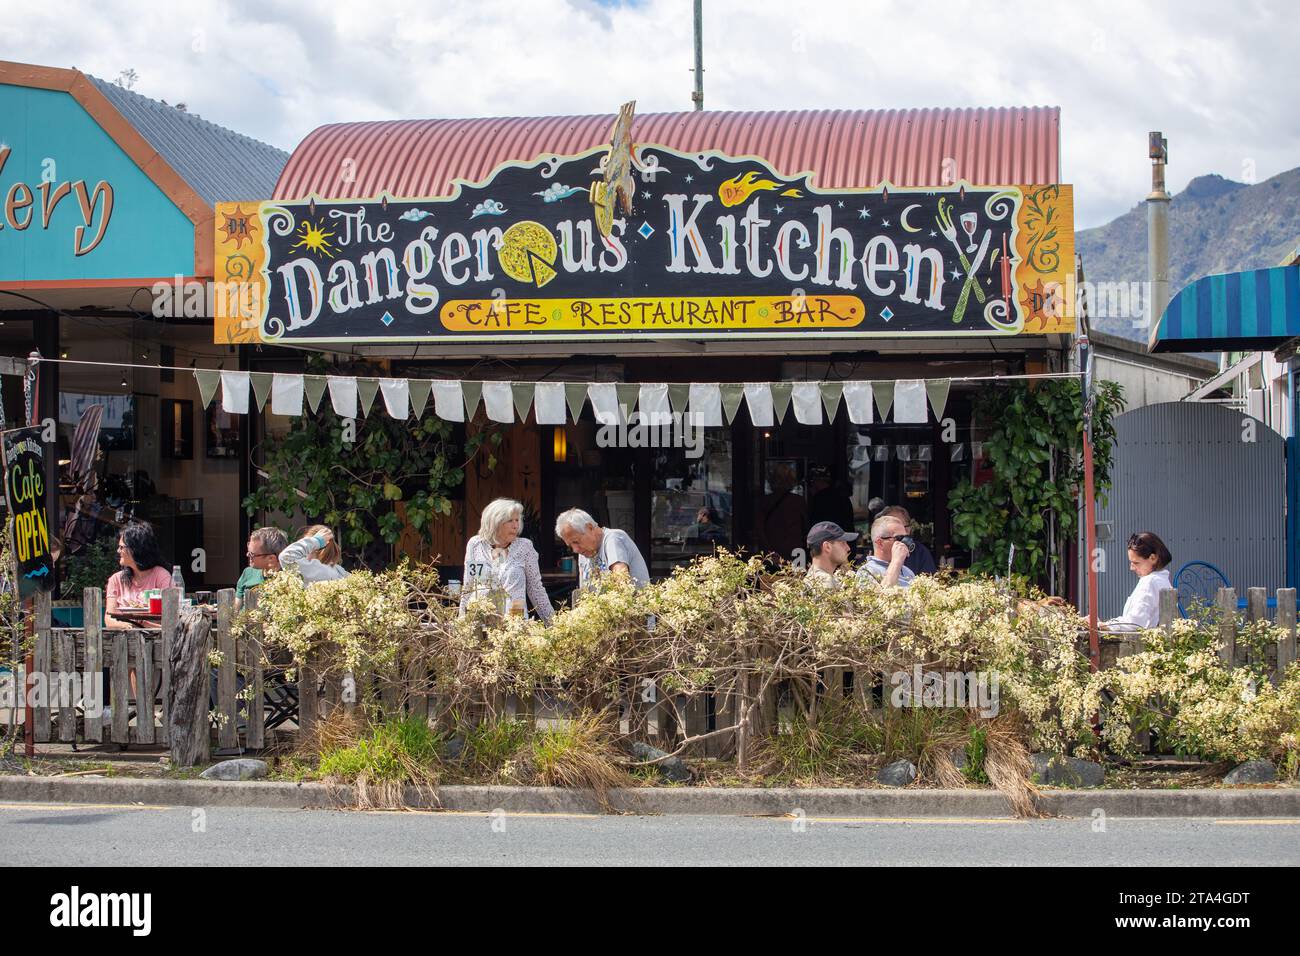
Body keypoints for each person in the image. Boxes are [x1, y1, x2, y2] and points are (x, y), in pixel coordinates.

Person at [460, 497, 554, 621]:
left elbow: (536, 589)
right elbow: (469, 585)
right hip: (480, 620)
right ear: (495, 522)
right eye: (510, 521)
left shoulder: (524, 547)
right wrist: (461, 622)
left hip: (514, 622)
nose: (516, 526)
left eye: (517, 520)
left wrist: (554, 625)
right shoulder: (475, 545)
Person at [555, 508, 650, 589]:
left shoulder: (613, 538)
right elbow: (584, 594)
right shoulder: (584, 552)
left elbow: (621, 581)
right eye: (571, 545)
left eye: (576, 541)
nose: (575, 550)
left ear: (590, 527)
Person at [1100, 531, 1175, 631]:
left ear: (1153, 558)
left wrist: (1104, 625)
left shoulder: (1150, 582)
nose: (1132, 568)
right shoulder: (1163, 581)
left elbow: (1135, 623)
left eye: (1136, 563)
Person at [105, 521, 173, 629]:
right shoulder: (116, 580)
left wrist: (141, 625)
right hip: (122, 640)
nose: (118, 551)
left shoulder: (161, 576)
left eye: (122, 547)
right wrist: (130, 626)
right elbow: (109, 620)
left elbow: (170, 617)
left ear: (135, 549)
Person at [855, 513, 915, 588]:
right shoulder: (866, 572)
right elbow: (883, 597)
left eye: (906, 537)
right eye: (899, 538)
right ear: (880, 543)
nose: (904, 543)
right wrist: (896, 562)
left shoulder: (908, 572)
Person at [235, 526, 287, 608]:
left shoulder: (288, 580)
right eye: (248, 551)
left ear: (271, 559)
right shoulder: (248, 573)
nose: (247, 555)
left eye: (252, 554)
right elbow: (236, 609)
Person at [278, 525, 350, 584]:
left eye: (307, 548)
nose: (304, 555)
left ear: (315, 549)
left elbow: (286, 556)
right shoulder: (339, 571)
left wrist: (317, 540)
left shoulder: (316, 570)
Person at [878, 505, 938, 575]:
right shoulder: (878, 548)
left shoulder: (921, 552)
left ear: (908, 529)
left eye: (897, 527)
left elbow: (928, 581)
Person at [804, 521, 857, 587]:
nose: (848, 548)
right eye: (842, 543)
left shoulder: (815, 578)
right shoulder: (825, 583)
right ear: (827, 547)